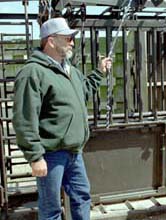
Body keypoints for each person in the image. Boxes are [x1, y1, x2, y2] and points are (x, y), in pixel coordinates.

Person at [12, 17, 111, 220]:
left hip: (74, 152)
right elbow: (24, 118)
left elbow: (84, 90)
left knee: (82, 198)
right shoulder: (33, 73)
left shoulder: (70, 71)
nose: (72, 42)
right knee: (51, 209)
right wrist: (35, 157)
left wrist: (99, 72)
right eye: (67, 38)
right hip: (51, 154)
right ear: (50, 41)